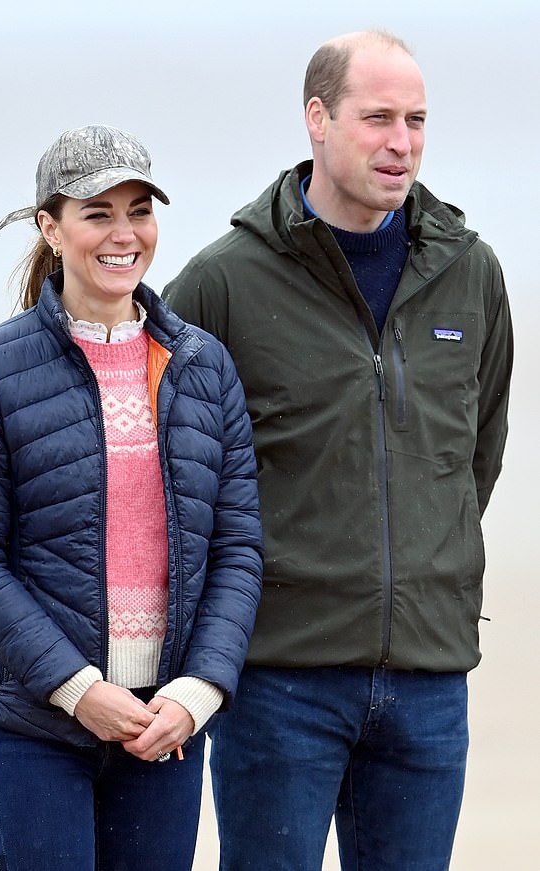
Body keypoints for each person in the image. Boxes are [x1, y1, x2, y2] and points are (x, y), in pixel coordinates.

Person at [163, 29, 513, 871]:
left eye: (418, 120)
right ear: (317, 119)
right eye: (379, 117)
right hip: (280, 678)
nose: (403, 142)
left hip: (430, 679)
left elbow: (478, 453)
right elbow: (172, 476)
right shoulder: (223, 282)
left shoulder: (470, 272)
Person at [0, 124, 263, 871]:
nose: (124, 233)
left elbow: (238, 547)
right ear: (50, 227)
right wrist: (78, 689)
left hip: (164, 729)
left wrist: (199, 691)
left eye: (139, 210)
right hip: (38, 728)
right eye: (97, 212)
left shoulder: (204, 366)